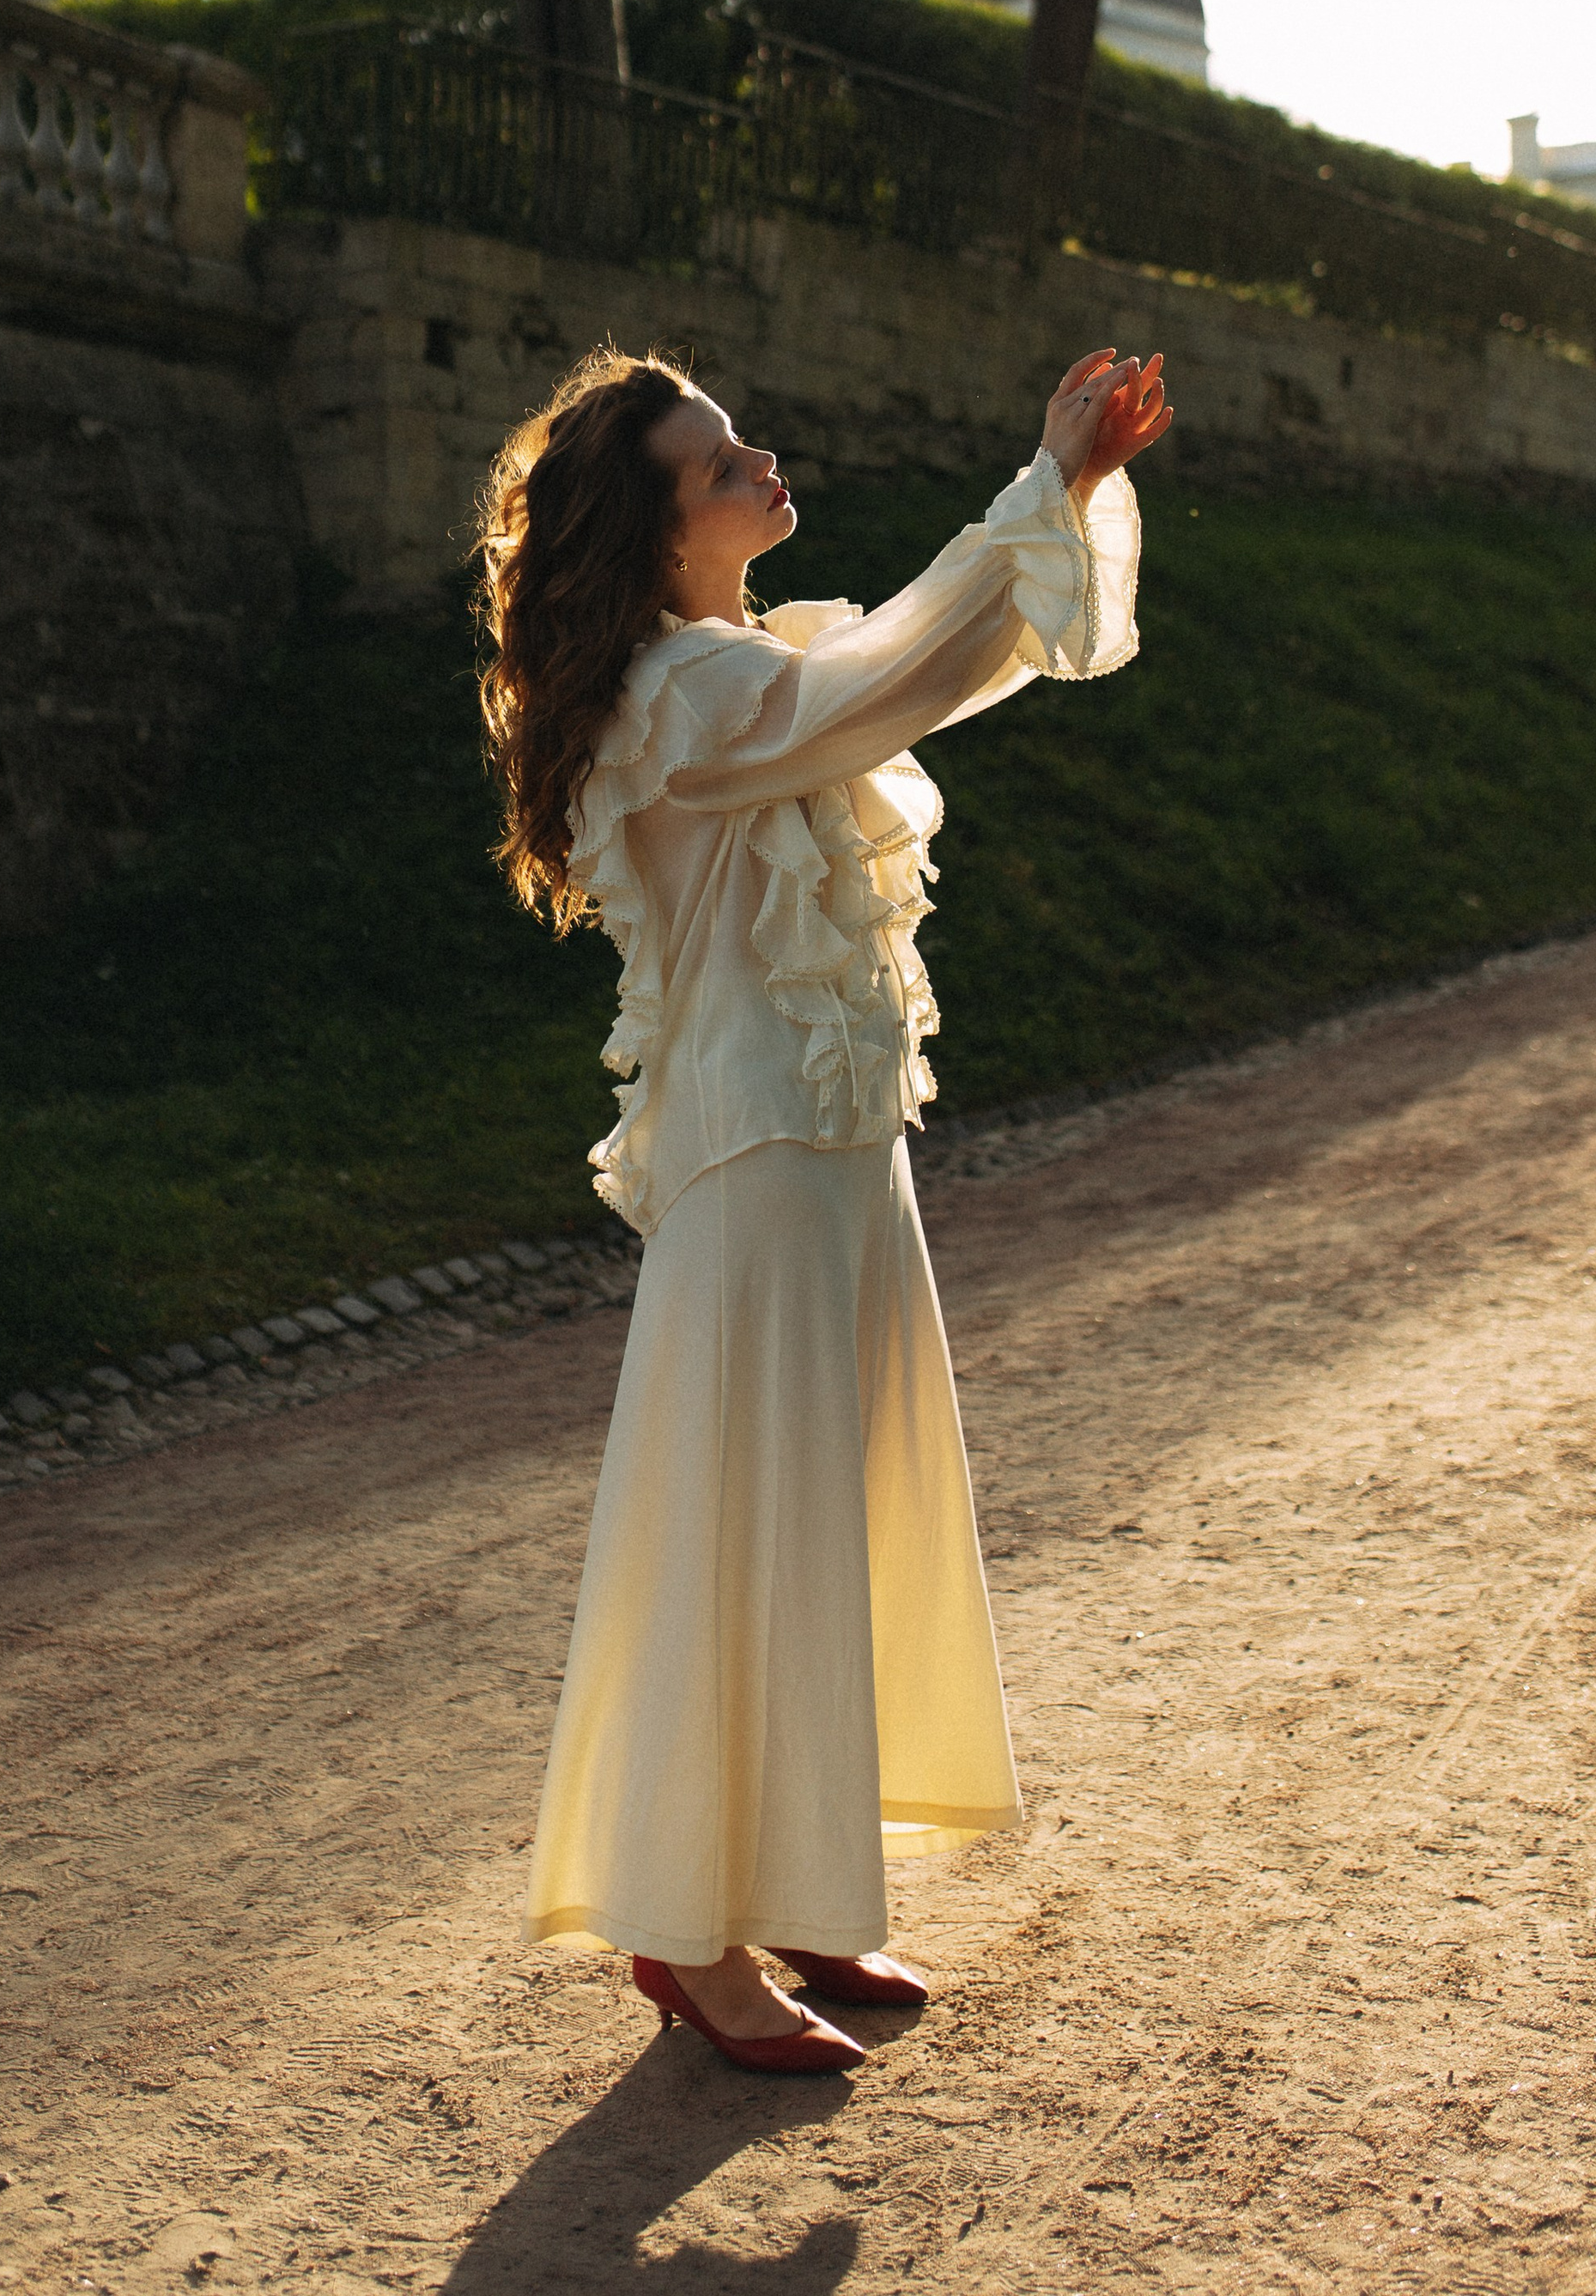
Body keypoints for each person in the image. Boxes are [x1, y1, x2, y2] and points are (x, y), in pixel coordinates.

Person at [474, 339, 1171, 2074]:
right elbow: (894, 681)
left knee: (832, 1505)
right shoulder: (687, 692)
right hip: (761, 1155)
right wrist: (1040, 483)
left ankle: (788, 1878)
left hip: (828, 1142)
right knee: (749, 1520)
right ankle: (684, 1935)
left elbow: (904, 665)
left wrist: (1059, 495)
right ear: (650, 529)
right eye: (718, 461)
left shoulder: (736, 664)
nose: (758, 461)